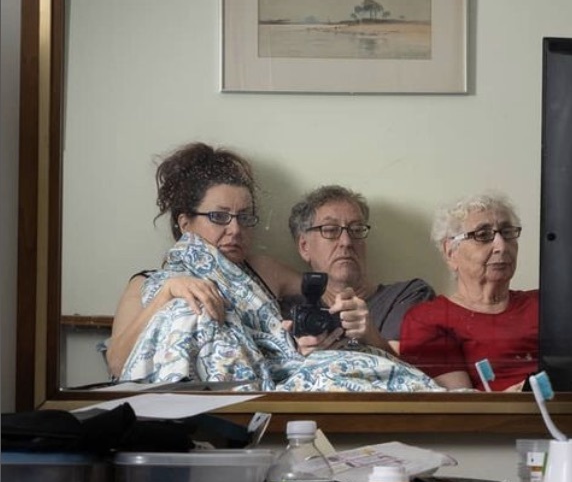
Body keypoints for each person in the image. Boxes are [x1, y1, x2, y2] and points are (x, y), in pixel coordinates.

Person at [104, 142, 440, 392]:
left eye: (245, 218)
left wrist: (329, 330)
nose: (235, 230)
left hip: (270, 383)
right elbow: (119, 365)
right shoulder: (147, 283)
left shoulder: (263, 268)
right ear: (185, 222)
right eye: (219, 217)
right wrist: (168, 294)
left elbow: (330, 295)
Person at [399, 193, 538, 391]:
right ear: (450, 252)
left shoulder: (544, 303)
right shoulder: (429, 318)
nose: (501, 246)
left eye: (507, 233)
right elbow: (462, 406)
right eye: (482, 235)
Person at [287, 185, 435, 354]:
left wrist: (372, 338)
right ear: (304, 247)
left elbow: (416, 373)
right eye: (330, 230)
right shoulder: (289, 309)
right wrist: (297, 355)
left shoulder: (407, 295)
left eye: (356, 230)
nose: (346, 241)